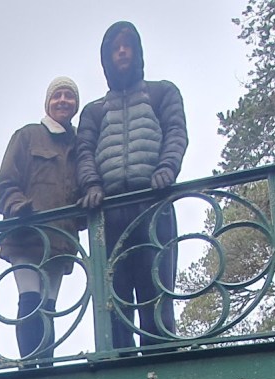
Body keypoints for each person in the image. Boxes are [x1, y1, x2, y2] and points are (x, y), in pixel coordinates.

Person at [76, 21, 187, 347]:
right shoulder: (94, 112)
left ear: (137, 51)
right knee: (115, 299)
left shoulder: (162, 92)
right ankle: (120, 364)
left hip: (153, 203)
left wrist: (166, 168)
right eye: (115, 48)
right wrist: (91, 184)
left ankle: (161, 366)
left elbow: (175, 132)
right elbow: (84, 152)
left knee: (157, 294)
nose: (122, 52)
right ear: (106, 59)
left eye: (127, 45)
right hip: (109, 212)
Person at [0, 77, 82, 362]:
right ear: (48, 103)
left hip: (61, 240)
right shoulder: (27, 136)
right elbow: (4, 185)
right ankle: (31, 369)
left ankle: (46, 366)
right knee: (30, 300)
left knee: (49, 307)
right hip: (27, 235)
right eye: (57, 95)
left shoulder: (80, 146)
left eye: (69, 96)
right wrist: (18, 207)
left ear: (76, 105)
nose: (63, 101)